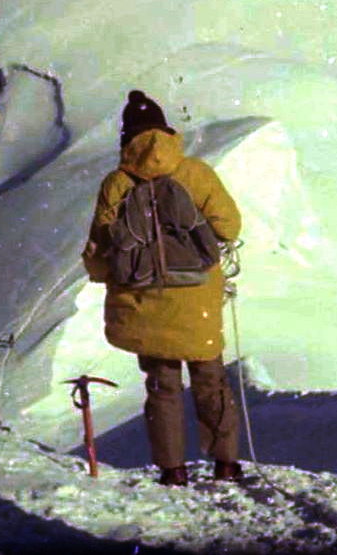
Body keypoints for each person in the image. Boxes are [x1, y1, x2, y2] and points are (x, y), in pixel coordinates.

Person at [82, 90, 244, 487]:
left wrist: (108, 273)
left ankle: (173, 470)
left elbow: (100, 252)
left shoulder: (117, 183)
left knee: (162, 386)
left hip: (143, 300)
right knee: (210, 379)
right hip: (198, 298)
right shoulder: (196, 173)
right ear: (165, 131)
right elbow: (230, 227)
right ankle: (225, 463)